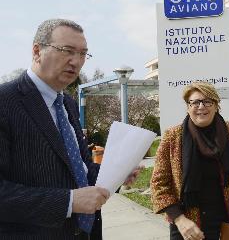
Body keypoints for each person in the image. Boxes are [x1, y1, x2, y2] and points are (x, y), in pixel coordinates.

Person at [0, 19, 141, 239]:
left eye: (83, 53)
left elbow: (79, 172)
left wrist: (115, 175)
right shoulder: (5, 102)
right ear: (37, 51)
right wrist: (68, 202)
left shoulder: (68, 104)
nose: (76, 61)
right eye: (67, 50)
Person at [150, 82, 229, 240]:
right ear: (188, 107)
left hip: (222, 218)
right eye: (195, 102)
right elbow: (158, 184)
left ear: (216, 105)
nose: (201, 106)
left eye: (207, 101)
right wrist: (180, 220)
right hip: (186, 223)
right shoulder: (173, 136)